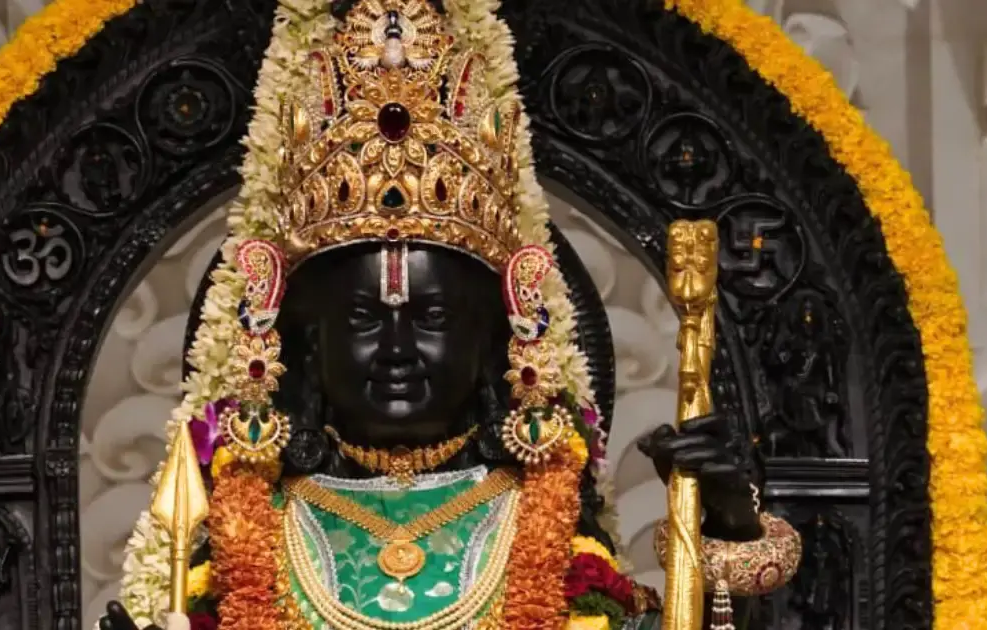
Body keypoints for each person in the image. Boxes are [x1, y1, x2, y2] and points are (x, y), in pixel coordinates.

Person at [101, 1, 800, 628]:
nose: (397, 347)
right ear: (306, 343)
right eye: (364, 319)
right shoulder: (252, 531)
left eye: (432, 318)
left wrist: (727, 521)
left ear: (497, 341)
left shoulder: (542, 524)